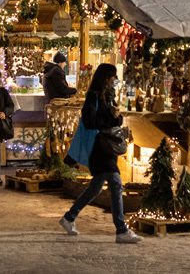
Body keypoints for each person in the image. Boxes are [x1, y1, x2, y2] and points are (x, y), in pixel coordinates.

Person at [59, 63, 142, 244]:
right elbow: (90, 122)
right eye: (113, 77)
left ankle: (69, 218)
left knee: (95, 188)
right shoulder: (93, 96)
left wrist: (115, 115)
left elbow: (116, 120)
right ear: (106, 78)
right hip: (98, 147)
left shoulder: (109, 96)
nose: (115, 80)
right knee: (116, 184)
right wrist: (108, 116)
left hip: (107, 147)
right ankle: (121, 230)